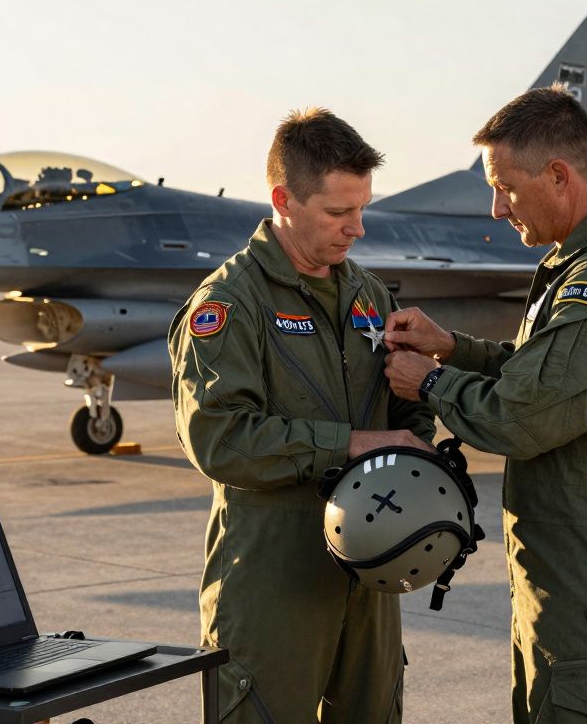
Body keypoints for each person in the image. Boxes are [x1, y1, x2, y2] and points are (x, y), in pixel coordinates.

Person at [383, 86, 587, 723]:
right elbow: (542, 377)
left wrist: (429, 384)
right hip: (570, 570)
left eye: (505, 188)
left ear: (558, 176)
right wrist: (450, 348)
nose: (496, 209)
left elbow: (525, 415)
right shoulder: (584, 265)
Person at [169, 107, 435, 723]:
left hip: (371, 570)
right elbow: (219, 438)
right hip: (272, 578)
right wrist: (352, 445)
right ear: (283, 199)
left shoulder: (369, 295)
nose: (357, 229)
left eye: (362, 209)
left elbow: (405, 410)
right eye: (338, 213)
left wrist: (413, 453)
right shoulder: (229, 304)